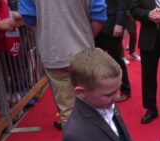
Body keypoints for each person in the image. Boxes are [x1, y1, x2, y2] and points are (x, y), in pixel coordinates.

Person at [18, 0, 107, 129]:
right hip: (83, 50)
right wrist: (84, 36)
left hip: (54, 52)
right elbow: (99, 15)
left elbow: (29, 18)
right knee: (92, 103)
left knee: (68, 111)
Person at [95, 0, 132, 103]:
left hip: (112, 26)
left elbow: (122, 5)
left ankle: (125, 89)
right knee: (96, 61)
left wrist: (119, 24)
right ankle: (99, 90)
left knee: (116, 60)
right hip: (95, 28)